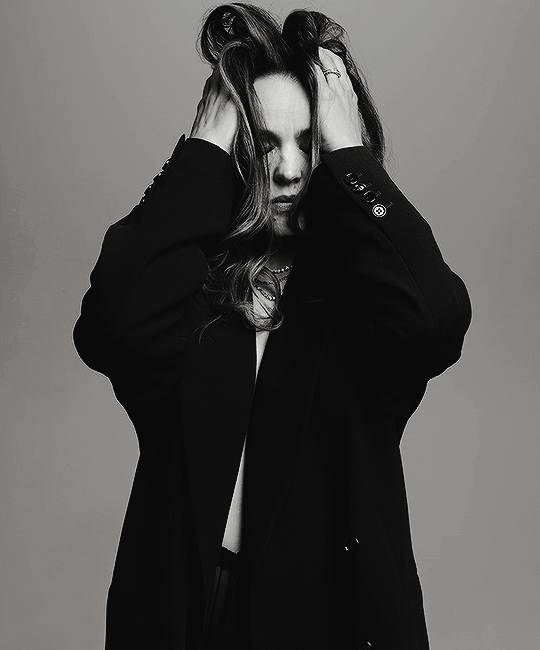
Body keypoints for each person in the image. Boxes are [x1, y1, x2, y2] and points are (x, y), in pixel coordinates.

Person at [73, 4, 472, 649]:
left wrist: (353, 160)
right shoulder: (190, 291)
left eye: (308, 143)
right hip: (190, 610)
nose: (288, 169)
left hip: (331, 615)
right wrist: (202, 150)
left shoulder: (364, 299)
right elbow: (111, 325)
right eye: (264, 143)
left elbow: (435, 321)